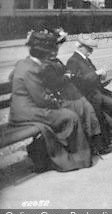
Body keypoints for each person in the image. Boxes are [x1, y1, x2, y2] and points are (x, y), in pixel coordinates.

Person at [9, 31, 92, 172]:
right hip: (28, 112)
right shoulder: (31, 69)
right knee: (70, 116)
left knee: (68, 113)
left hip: (24, 109)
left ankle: (53, 154)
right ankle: (77, 158)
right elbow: (41, 99)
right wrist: (57, 103)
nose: (51, 56)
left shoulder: (24, 63)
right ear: (44, 54)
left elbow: (14, 79)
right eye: (49, 53)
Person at [38, 29, 109, 155]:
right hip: (57, 97)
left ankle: (96, 144)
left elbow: (67, 75)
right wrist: (67, 76)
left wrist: (69, 76)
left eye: (57, 47)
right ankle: (90, 145)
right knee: (84, 108)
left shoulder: (54, 60)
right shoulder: (45, 63)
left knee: (87, 107)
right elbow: (53, 83)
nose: (56, 50)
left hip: (66, 93)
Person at [67, 38, 112, 141]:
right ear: (80, 47)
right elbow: (78, 82)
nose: (91, 52)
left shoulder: (86, 59)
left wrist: (104, 79)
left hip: (98, 89)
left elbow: (92, 78)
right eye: (89, 49)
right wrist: (96, 74)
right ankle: (107, 129)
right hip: (88, 93)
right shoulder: (73, 61)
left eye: (91, 49)